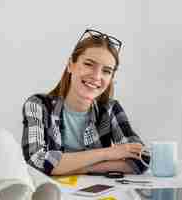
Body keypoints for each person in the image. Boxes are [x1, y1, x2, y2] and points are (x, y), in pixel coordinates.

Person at [21, 29, 148, 176]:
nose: (96, 76)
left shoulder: (110, 109)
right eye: (89, 64)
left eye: (106, 71)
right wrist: (108, 153)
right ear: (70, 65)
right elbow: (36, 160)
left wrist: (81, 169)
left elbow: (142, 159)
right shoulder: (38, 105)